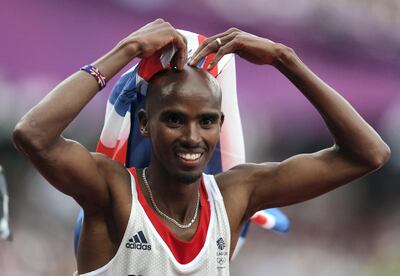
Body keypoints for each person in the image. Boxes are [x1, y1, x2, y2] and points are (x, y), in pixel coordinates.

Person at [13, 19, 390, 275]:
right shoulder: (112, 193)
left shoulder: (235, 196)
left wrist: (284, 59)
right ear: (145, 124)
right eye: (175, 119)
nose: (193, 137)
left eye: (206, 121)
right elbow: (33, 134)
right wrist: (126, 50)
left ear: (219, 125)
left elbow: (369, 153)